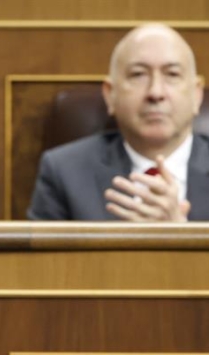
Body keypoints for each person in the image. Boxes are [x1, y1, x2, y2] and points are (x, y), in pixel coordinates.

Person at [27, 23, 209, 221]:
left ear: (196, 95)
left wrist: (182, 236)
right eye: (138, 74)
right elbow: (46, 254)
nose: (155, 92)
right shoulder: (63, 171)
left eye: (172, 74)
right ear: (110, 95)